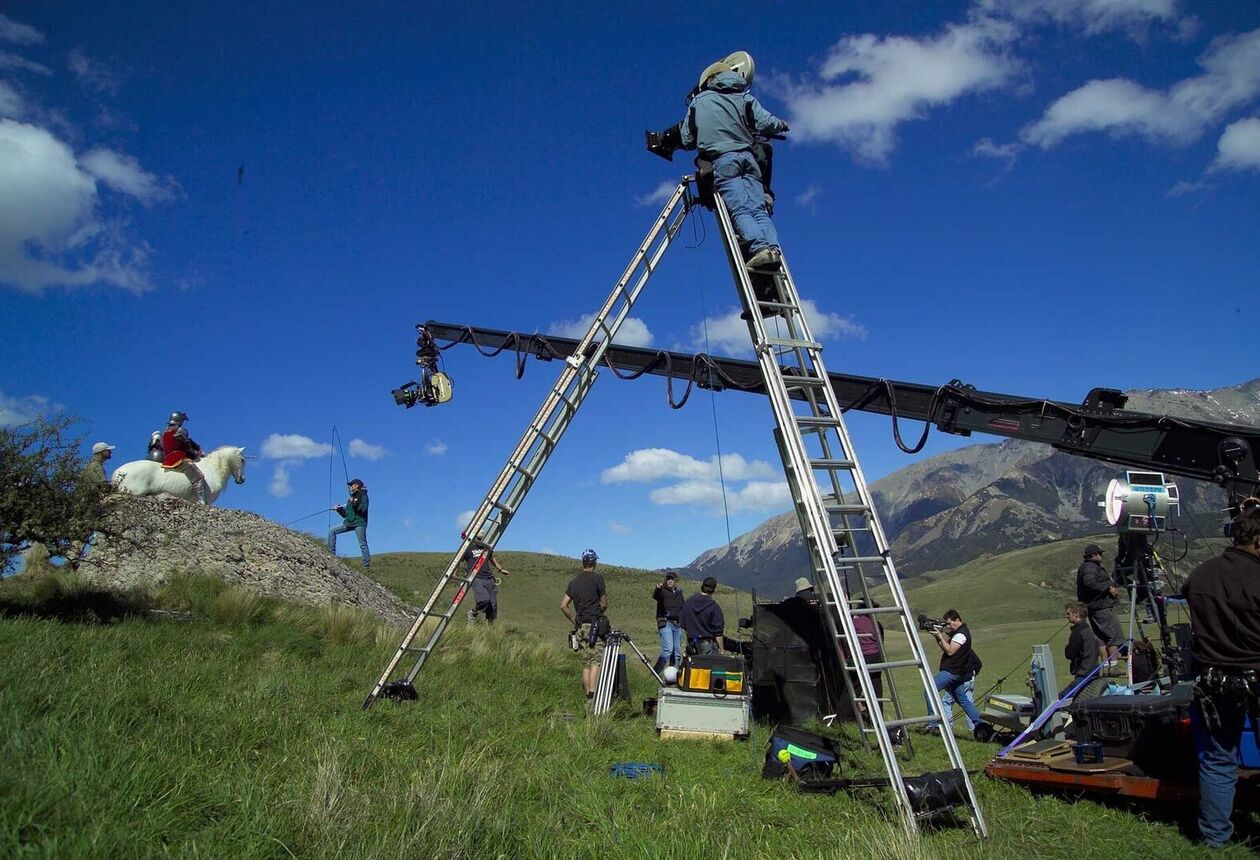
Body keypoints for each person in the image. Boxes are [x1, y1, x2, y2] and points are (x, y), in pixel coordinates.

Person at [1180, 506, 1260, 848]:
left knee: (1218, 760)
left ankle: (1215, 839)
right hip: (1255, 674)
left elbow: (1185, 592)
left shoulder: (1201, 574)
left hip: (1213, 679)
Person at [677, 51, 789, 270]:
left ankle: (760, 249)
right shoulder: (743, 96)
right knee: (758, 210)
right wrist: (782, 124)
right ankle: (773, 250)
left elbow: (687, 139)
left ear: (709, 79)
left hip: (724, 162)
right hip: (749, 160)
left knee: (740, 210)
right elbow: (766, 121)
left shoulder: (699, 102)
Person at [924, 610, 991, 739]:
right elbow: (946, 647)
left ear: (956, 620)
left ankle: (934, 724)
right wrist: (938, 638)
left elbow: (950, 651)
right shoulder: (960, 633)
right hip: (958, 672)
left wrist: (940, 637)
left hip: (952, 671)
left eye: (949, 623)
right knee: (963, 700)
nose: (948, 626)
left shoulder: (961, 635)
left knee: (929, 690)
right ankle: (980, 724)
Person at [561, 549, 608, 704]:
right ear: (594, 563)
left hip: (581, 627)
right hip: (594, 625)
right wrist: (598, 612)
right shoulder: (597, 579)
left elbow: (563, 605)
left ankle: (588, 696)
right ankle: (593, 695)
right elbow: (604, 603)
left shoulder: (573, 582)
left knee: (585, 662)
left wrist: (575, 620)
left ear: (582, 563)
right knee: (596, 661)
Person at [1076, 543, 1122, 665]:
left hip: (1094, 606)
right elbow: (1090, 583)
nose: (1101, 556)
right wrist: (1108, 587)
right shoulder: (1090, 568)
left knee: (1100, 636)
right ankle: (1114, 663)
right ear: (1093, 555)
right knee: (1112, 635)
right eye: (1100, 554)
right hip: (1101, 606)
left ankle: (1105, 663)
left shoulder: (1088, 567)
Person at [462, 530, 510, 624]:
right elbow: (459, 559)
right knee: (483, 599)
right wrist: (454, 576)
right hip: (476, 578)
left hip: (489, 578)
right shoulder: (468, 548)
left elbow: (492, 559)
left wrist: (501, 569)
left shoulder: (486, 548)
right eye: (478, 537)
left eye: (481, 538)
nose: (480, 539)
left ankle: (490, 632)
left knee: (492, 606)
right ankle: (472, 612)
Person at [160, 411, 208, 504]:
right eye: (182, 420)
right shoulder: (180, 430)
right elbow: (187, 446)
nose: (182, 422)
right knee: (198, 476)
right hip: (178, 458)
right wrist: (196, 454)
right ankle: (201, 501)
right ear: (179, 420)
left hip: (167, 458)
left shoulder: (165, 431)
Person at [327, 479, 370, 569]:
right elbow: (346, 514)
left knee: (362, 544)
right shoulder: (351, 497)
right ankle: (331, 555)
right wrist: (339, 509)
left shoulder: (363, 495)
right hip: (349, 522)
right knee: (332, 531)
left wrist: (354, 502)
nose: (350, 487)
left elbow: (363, 509)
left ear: (357, 485)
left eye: (352, 485)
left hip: (359, 523)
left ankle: (366, 566)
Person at [1062, 601, 1100, 698]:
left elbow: (1069, 654)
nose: (1067, 616)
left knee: (1062, 698)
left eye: (1068, 613)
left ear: (1076, 614)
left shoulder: (1078, 632)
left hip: (1085, 673)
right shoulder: (1088, 628)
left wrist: (1067, 646)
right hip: (1093, 669)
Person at [680, 576, 725, 655]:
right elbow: (718, 633)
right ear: (713, 591)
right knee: (711, 666)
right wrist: (721, 650)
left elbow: (682, 622)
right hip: (707, 645)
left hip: (691, 643)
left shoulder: (689, 602)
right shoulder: (714, 607)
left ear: (702, 587)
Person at [652, 570, 684, 673]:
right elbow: (656, 596)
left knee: (677, 653)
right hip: (666, 623)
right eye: (668, 579)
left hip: (677, 624)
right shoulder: (662, 591)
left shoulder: (679, 594)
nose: (670, 581)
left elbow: (683, 608)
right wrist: (657, 589)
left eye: (672, 579)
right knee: (668, 650)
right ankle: (655, 674)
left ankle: (673, 677)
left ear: (676, 581)